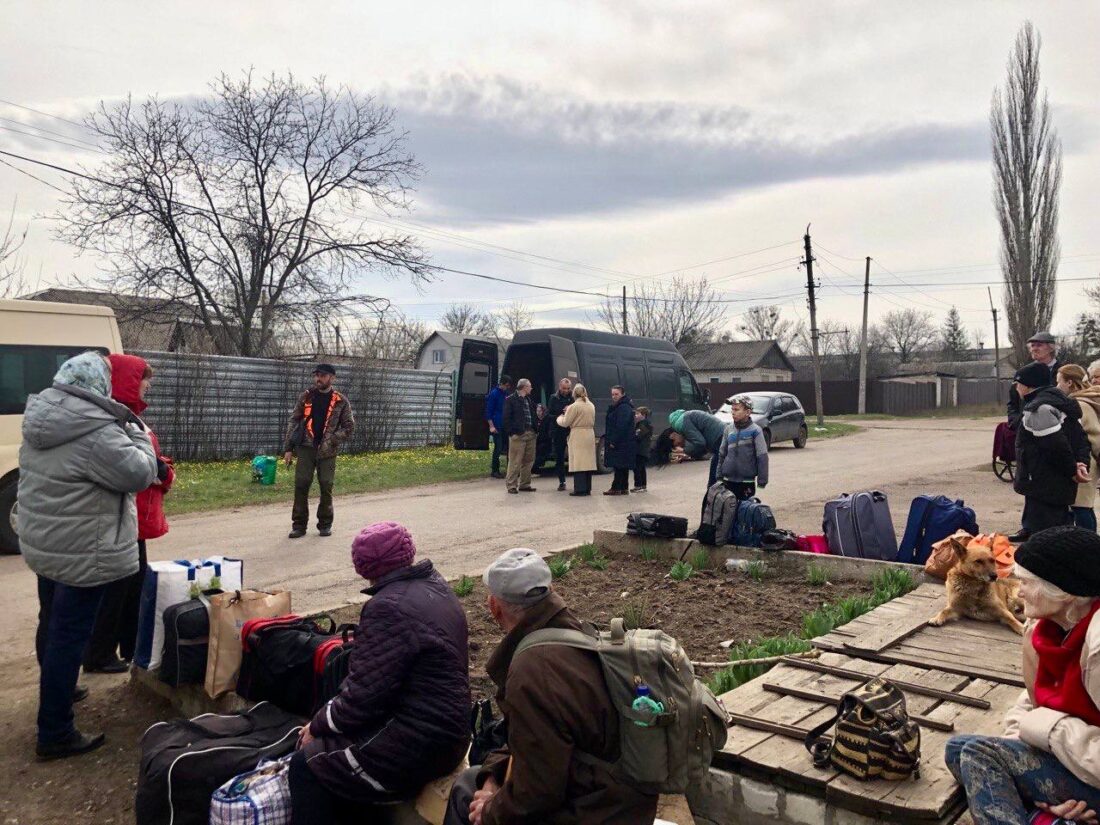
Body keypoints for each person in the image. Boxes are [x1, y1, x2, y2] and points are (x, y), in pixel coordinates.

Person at [443, 548, 660, 825]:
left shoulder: (532, 672)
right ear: (551, 590)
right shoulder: (579, 633)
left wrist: (490, 810)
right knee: (476, 779)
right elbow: (539, 744)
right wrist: (493, 776)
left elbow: (538, 793)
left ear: (494, 608)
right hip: (622, 796)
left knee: (465, 795)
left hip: (597, 809)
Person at [19, 351, 158, 759]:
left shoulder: (42, 417)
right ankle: (55, 731)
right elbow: (139, 473)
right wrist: (136, 431)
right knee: (69, 636)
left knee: (52, 620)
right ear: (98, 384)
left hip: (47, 544)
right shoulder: (96, 430)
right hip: (83, 548)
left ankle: (57, 693)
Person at [290, 522, 470, 825]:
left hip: (421, 744)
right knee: (340, 755)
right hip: (447, 731)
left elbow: (362, 698)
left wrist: (317, 725)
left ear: (363, 567)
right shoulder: (434, 585)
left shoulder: (388, 607)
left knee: (308, 764)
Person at [945, 525, 1100, 825]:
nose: (1017, 587)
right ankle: (1053, 816)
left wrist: (1049, 731)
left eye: (1026, 581)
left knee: (980, 756)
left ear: (1064, 590)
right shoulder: (1044, 629)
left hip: (1092, 769)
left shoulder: (1096, 646)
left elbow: (1039, 720)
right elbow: (1030, 701)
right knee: (958, 750)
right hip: (1073, 758)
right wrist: (1019, 744)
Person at [83, 354, 175, 674]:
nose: (148, 385)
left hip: (132, 516)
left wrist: (161, 467)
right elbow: (136, 465)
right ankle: (100, 653)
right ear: (127, 381)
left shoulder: (128, 416)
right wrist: (162, 471)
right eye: (143, 379)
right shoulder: (116, 419)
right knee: (117, 589)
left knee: (132, 586)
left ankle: (127, 647)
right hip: (122, 516)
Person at [1011, 361, 1091, 541]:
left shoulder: (1039, 409)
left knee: (1048, 533)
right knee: (1052, 520)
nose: (1016, 387)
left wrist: (1072, 470)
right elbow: (1080, 439)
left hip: (1045, 479)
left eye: (1018, 383)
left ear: (1028, 385)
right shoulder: (1059, 401)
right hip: (1051, 480)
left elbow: (1055, 446)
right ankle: (1030, 529)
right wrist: (1080, 463)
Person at [283, 364, 355, 539]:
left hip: (327, 451)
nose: (318, 379)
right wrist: (288, 449)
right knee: (301, 485)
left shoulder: (341, 401)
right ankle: (299, 526)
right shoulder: (306, 397)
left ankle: (325, 524)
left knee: (326, 486)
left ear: (332, 378)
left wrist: (331, 441)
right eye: (316, 375)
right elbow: (294, 421)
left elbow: (349, 427)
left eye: (322, 376)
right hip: (305, 448)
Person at [1057, 364, 1100, 532]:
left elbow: (1093, 433)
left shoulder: (1079, 404)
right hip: (1087, 460)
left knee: (1081, 507)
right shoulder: (1089, 399)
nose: (1057, 386)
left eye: (1059, 381)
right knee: (1083, 505)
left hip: (1085, 461)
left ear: (1070, 382)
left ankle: (1088, 545)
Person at [652, 408, 728, 487]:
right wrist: (687, 455)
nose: (679, 445)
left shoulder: (682, 424)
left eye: (676, 444)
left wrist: (684, 450)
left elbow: (700, 443)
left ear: (672, 436)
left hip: (719, 439)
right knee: (716, 475)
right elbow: (703, 450)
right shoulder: (684, 421)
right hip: (721, 438)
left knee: (714, 481)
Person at [718, 396, 769, 500]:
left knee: (743, 511)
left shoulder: (756, 431)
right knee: (728, 512)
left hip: (746, 482)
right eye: (732, 409)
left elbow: (762, 456)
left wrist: (762, 480)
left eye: (736, 409)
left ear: (748, 412)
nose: (733, 412)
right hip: (728, 480)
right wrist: (719, 476)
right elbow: (722, 453)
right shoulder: (728, 429)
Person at [1008, 332, 1060, 430]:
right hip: (1025, 427)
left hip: (1055, 427)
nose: (1034, 348)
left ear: (1051, 348)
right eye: (1032, 346)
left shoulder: (1063, 371)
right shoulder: (1023, 373)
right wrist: (1015, 422)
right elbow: (1013, 402)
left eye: (1039, 345)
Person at [556, 383, 596, 496]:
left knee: (579, 462)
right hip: (589, 433)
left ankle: (580, 488)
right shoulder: (591, 405)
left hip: (578, 434)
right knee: (588, 462)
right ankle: (588, 488)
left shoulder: (574, 406)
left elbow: (566, 422)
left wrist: (559, 418)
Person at [502, 378, 538, 495]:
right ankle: (511, 485)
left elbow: (532, 414)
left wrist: (535, 428)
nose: (531, 388)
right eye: (530, 386)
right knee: (515, 461)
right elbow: (506, 418)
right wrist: (512, 433)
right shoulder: (511, 400)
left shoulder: (528, 399)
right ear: (524, 387)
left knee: (529, 460)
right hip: (518, 435)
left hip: (530, 433)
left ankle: (525, 484)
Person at [603, 385, 637, 496]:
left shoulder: (623, 407)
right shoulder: (621, 406)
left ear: (622, 394)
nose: (614, 396)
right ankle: (623, 487)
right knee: (622, 466)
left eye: (616, 394)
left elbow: (621, 426)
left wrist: (613, 441)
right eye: (612, 394)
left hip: (622, 442)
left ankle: (617, 487)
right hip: (624, 441)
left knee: (618, 465)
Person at [546, 378, 574, 491]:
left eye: (568, 388)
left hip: (570, 431)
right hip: (558, 431)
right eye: (564, 388)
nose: (566, 390)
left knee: (574, 456)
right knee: (559, 457)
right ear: (559, 386)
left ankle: (578, 480)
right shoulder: (554, 398)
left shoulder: (573, 398)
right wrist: (561, 415)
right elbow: (549, 415)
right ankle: (562, 481)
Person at [485, 375, 512, 479]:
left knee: (510, 447)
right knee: (498, 448)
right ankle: (495, 470)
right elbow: (489, 412)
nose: (507, 387)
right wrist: (491, 426)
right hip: (497, 425)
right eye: (506, 385)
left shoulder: (506, 394)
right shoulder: (494, 394)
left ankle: (510, 470)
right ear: (502, 384)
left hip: (505, 425)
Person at [632, 405, 653, 492]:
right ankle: (643, 485)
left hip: (640, 450)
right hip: (644, 450)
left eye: (637, 414)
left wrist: (633, 436)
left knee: (637, 468)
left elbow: (638, 436)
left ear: (643, 415)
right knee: (642, 468)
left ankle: (638, 485)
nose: (635, 416)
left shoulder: (643, 425)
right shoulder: (645, 424)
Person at [532, 403, 553, 473]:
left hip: (546, 441)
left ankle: (535, 468)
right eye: (537, 411)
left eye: (540, 411)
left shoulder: (548, 419)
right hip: (537, 440)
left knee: (540, 449)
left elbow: (548, 433)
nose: (538, 413)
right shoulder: (535, 420)